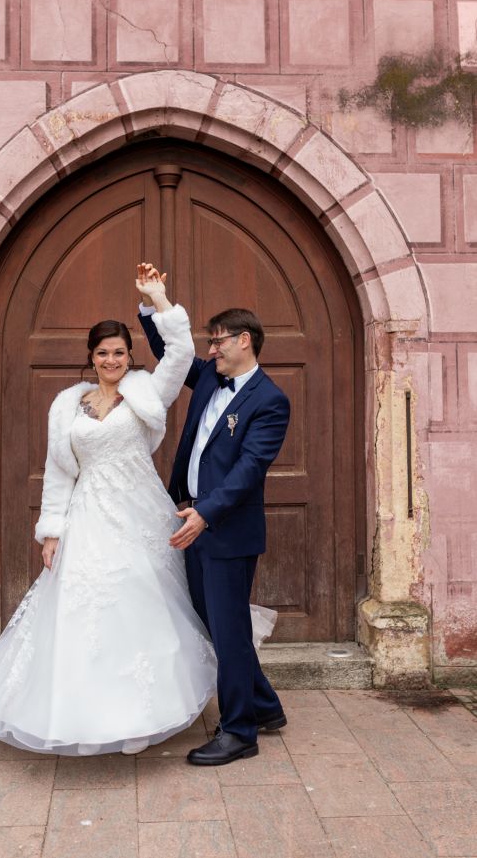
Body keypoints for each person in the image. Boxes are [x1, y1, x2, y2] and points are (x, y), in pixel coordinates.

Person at [0, 265, 217, 756]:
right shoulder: (67, 405)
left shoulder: (147, 389)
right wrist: (51, 531)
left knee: (141, 605)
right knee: (88, 606)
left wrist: (159, 298)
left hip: (140, 514)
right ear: (91, 357)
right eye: (103, 354)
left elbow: (182, 353)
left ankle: (143, 712)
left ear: (129, 356)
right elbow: (59, 471)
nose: (112, 360)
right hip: (89, 514)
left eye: (120, 352)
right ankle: (84, 711)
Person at [139, 270, 290, 766]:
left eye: (218, 340)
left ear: (244, 341)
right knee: (214, 624)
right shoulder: (208, 378)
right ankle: (265, 706)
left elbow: (248, 471)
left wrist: (206, 513)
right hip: (190, 521)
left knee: (227, 631)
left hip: (226, 531)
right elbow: (171, 355)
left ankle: (240, 730)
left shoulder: (270, 401)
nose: (210, 349)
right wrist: (152, 307)